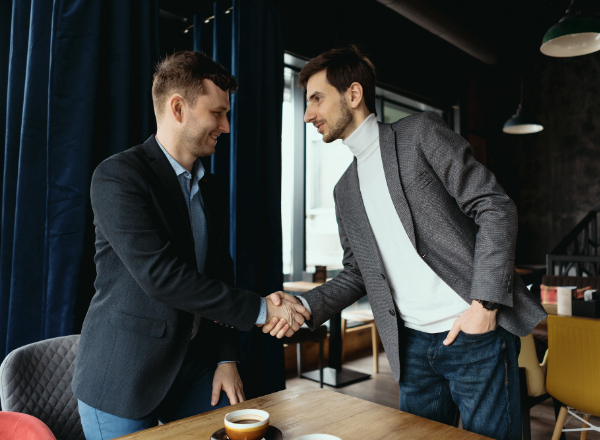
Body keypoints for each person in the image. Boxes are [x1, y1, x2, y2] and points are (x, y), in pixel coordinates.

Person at [263, 46, 547, 440]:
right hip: (410, 347)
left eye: (316, 98)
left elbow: (495, 206)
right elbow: (357, 274)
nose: (308, 113)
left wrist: (484, 307)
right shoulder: (344, 190)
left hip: (473, 334)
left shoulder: (420, 134)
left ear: (354, 94)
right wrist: (305, 305)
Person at [72, 51, 309, 440]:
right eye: (217, 113)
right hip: (123, 378)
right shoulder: (118, 176)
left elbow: (221, 275)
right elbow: (161, 277)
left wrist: (227, 356)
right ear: (178, 108)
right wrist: (261, 310)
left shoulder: (211, 188)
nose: (226, 126)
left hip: (196, 366)